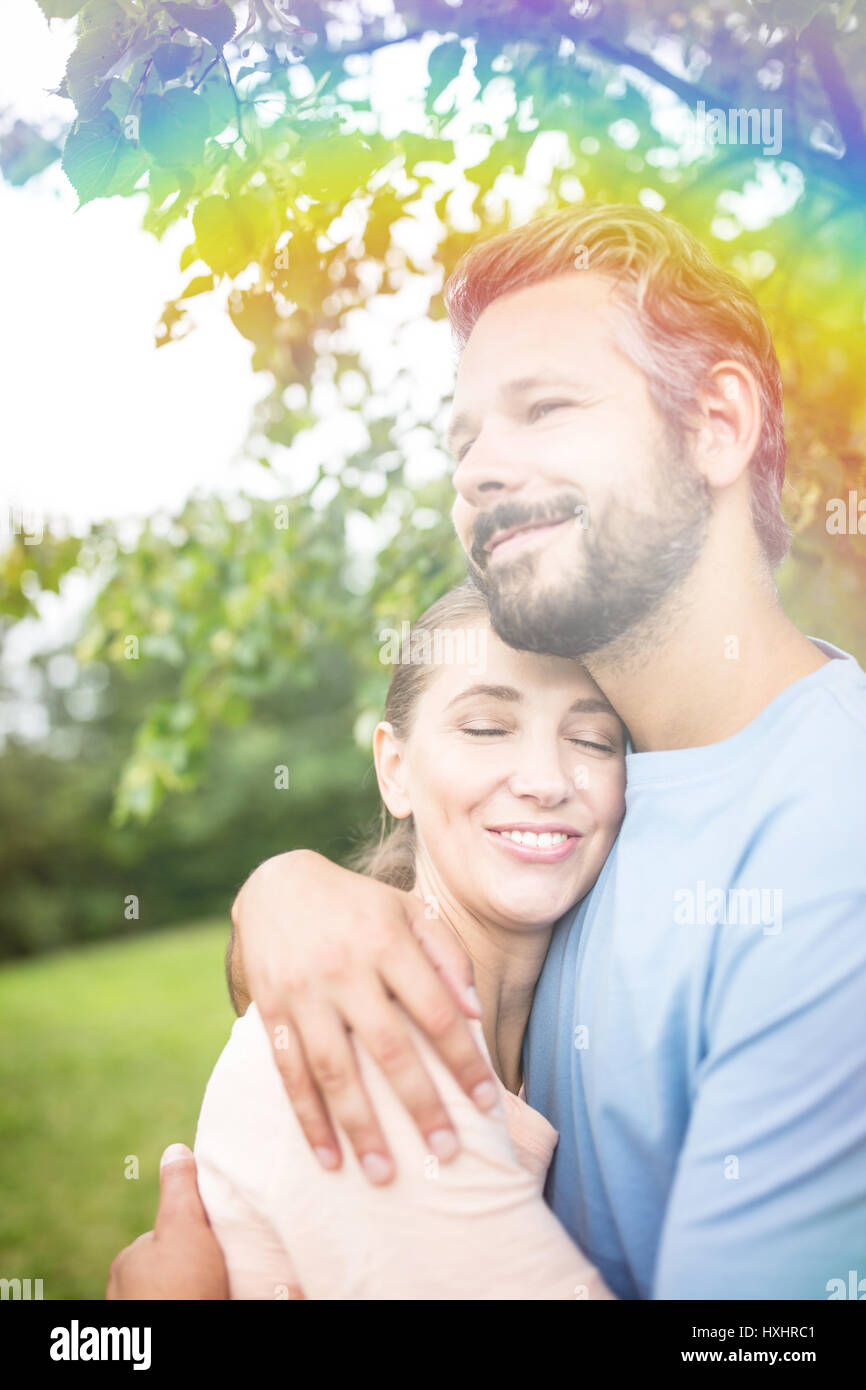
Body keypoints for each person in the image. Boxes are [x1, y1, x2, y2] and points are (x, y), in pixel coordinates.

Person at [109, 203, 866, 1300]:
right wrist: (281, 893)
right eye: (464, 442)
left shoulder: (828, 842)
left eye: (544, 409)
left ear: (714, 424)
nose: (476, 473)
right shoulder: (598, 802)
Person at [191, 586, 622, 1298]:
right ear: (395, 769)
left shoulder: (557, 1035)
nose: (547, 781)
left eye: (592, 739)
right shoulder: (373, 1039)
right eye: (486, 728)